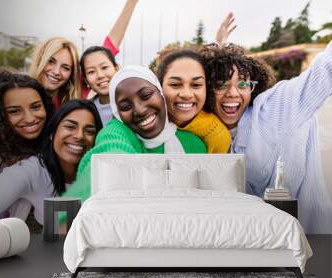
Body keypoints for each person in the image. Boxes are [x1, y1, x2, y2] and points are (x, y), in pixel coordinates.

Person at [204, 41, 332, 234]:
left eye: (243, 83)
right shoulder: (204, 129)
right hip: (249, 245)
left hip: (310, 236)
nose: (233, 93)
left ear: (252, 88)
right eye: (221, 84)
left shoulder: (272, 111)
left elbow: (324, 71)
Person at [61, 66, 207, 206]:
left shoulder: (194, 144)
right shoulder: (119, 132)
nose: (140, 110)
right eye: (125, 107)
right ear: (118, 114)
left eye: (146, 95)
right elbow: (110, 154)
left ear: (161, 94)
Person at [80, 12, 236, 128]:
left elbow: (193, 71)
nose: (100, 75)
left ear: (117, 68)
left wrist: (217, 45)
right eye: (91, 72)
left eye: (104, 67)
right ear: (85, 80)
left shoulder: (154, 99)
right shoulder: (86, 108)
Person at [0, 100, 103, 226]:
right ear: (52, 133)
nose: (79, 136)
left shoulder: (98, 175)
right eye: (70, 127)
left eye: (89, 131)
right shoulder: (31, 170)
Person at [28, 0, 139, 109]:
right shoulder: (19, 91)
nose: (56, 72)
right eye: (50, 61)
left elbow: (109, 47)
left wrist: (131, 2)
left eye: (65, 68)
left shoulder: (75, 93)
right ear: (40, 60)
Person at [157, 49, 231, 153]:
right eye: (175, 84)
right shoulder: (144, 119)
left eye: (196, 85)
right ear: (159, 86)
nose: (186, 94)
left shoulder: (218, 135)